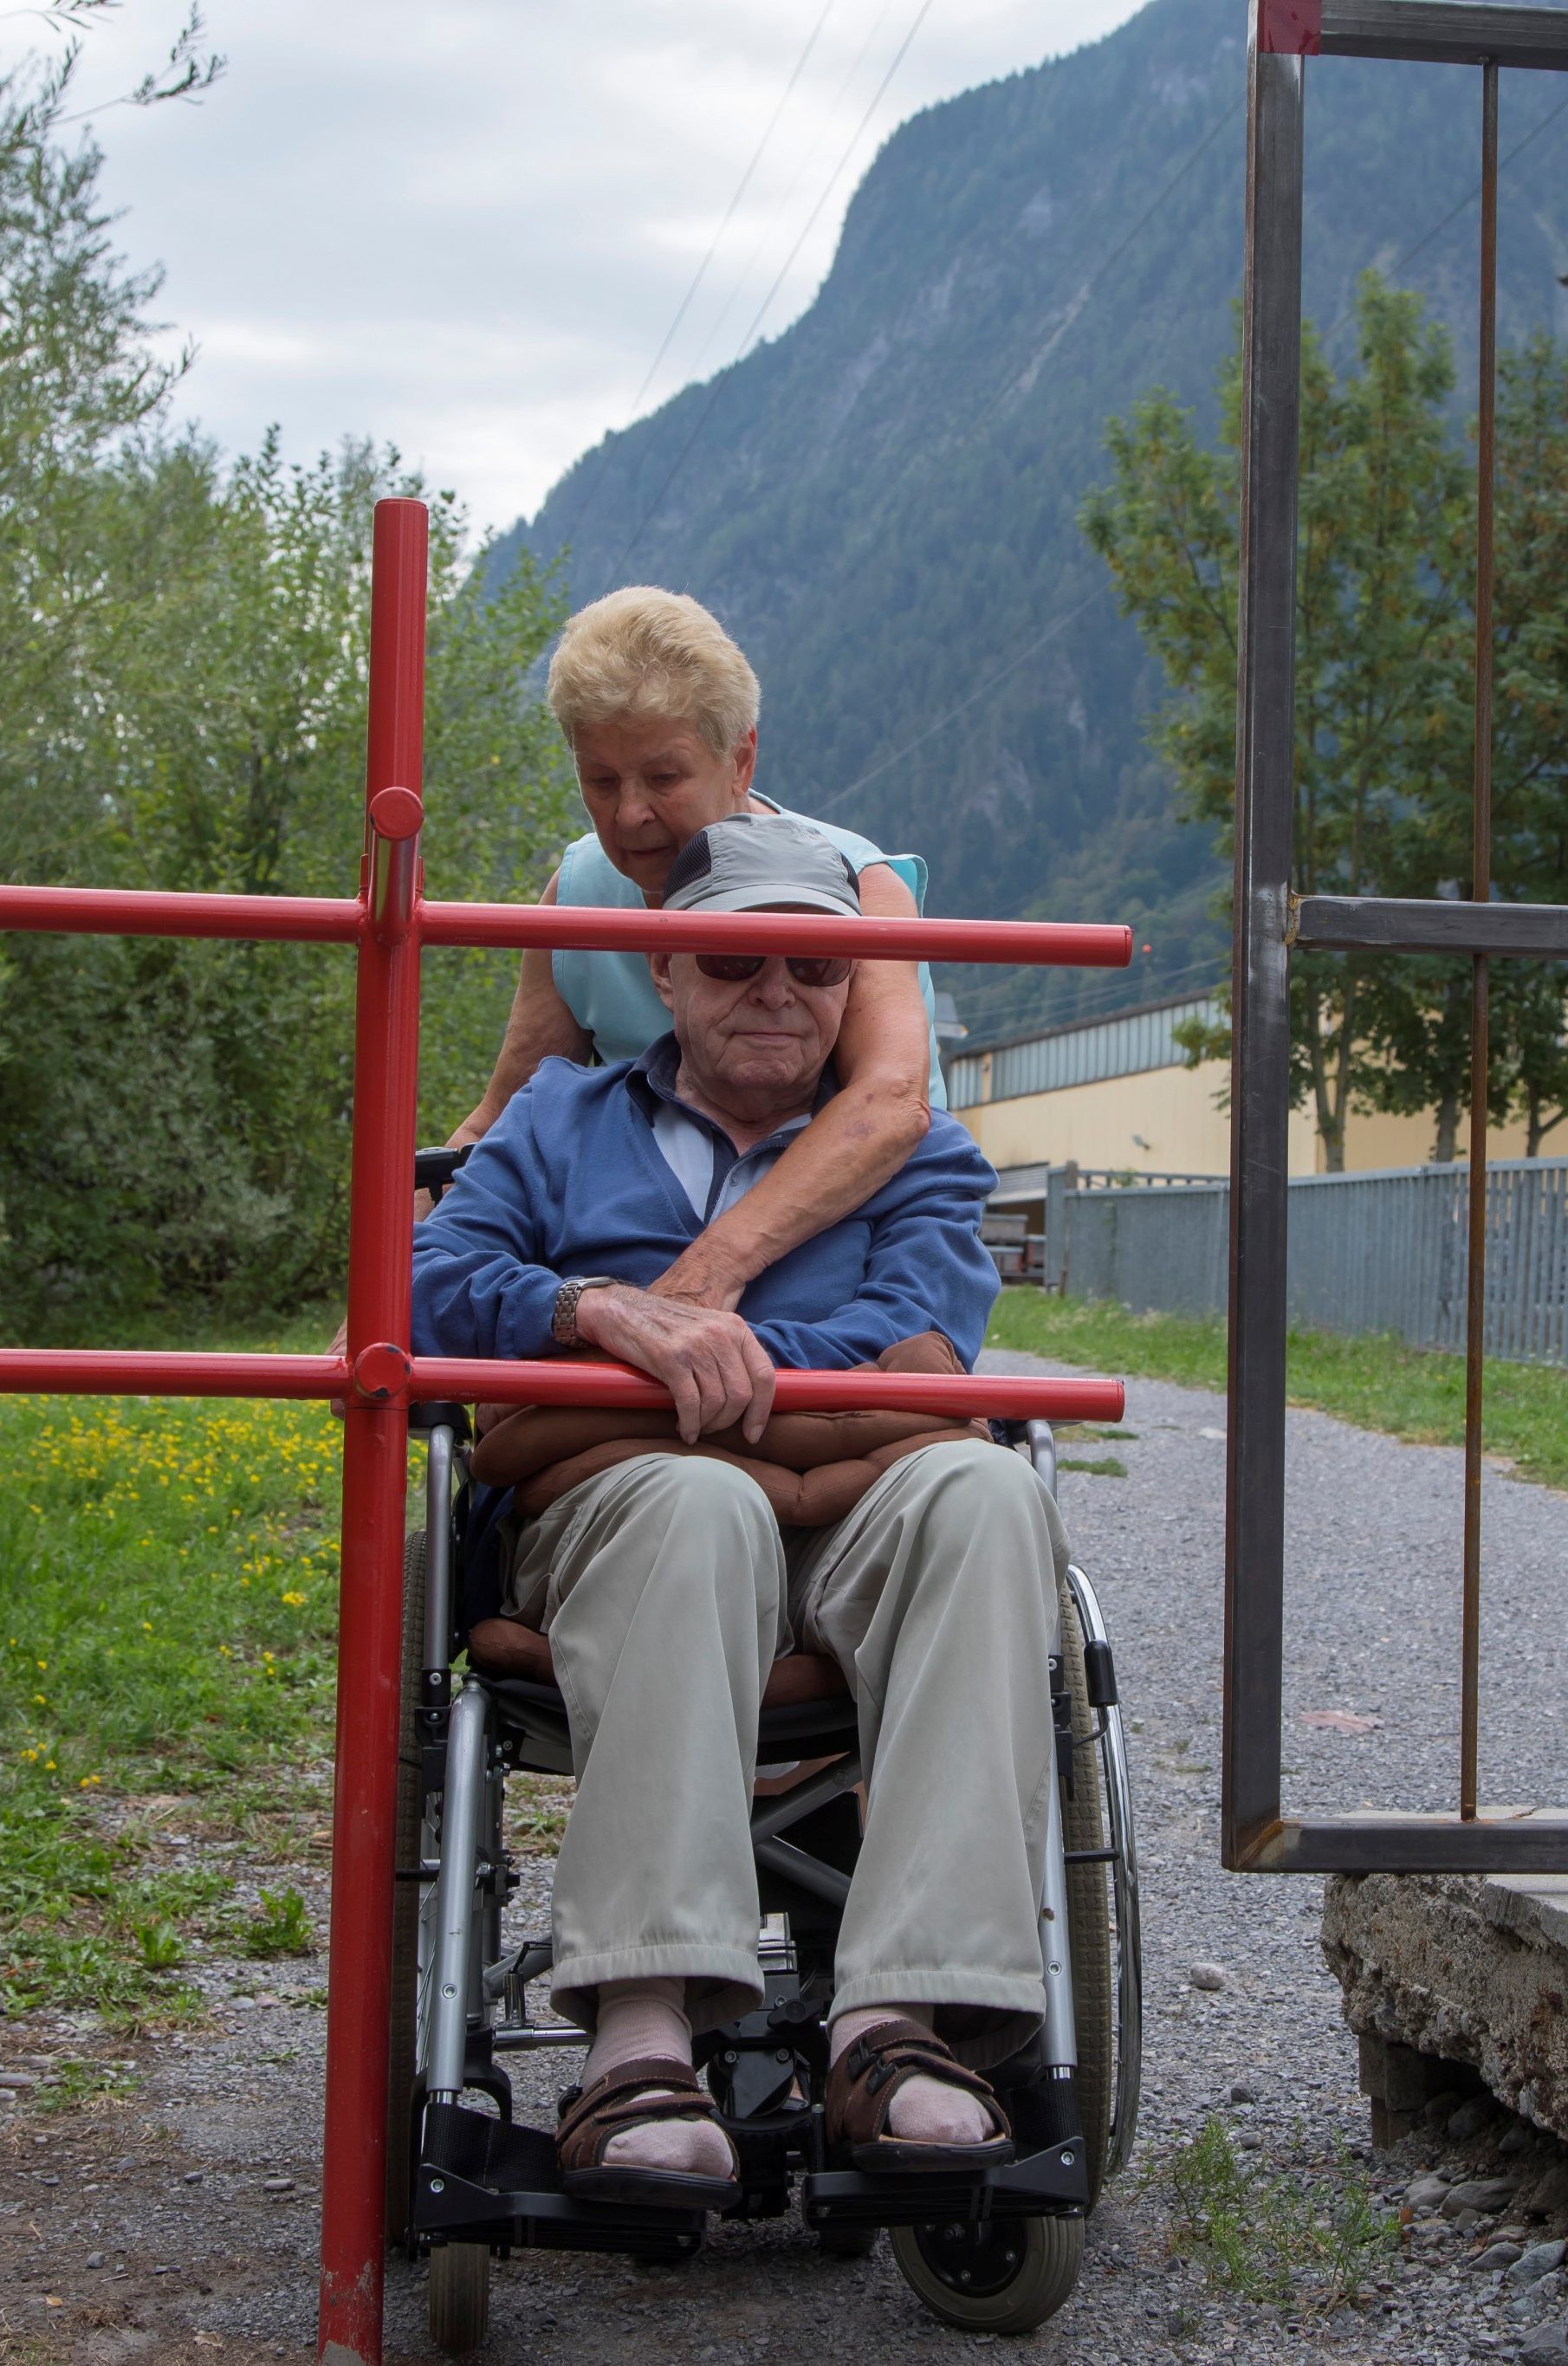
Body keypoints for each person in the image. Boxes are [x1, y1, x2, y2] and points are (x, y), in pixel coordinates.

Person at [411, 812, 1065, 2212]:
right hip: (627, 1516)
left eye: (817, 967)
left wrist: (702, 1360)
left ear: (852, 989)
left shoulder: (920, 1153)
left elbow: (926, 1330)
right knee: (689, 1501)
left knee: (989, 1490)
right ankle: (641, 2035)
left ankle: (907, 2019)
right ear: (665, 969)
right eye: (734, 955)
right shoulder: (557, 1122)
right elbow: (426, 1282)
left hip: (853, 1507)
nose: (777, 989)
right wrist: (589, 1307)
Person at [449, 586, 940, 1315]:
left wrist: (692, 1286)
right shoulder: (579, 892)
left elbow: (891, 1101)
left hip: (832, 1271)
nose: (630, 813)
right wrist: (388, 1288)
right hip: (627, 1269)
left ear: (739, 759)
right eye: (601, 780)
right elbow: (500, 1119)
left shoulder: (855, 888)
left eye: (664, 776)